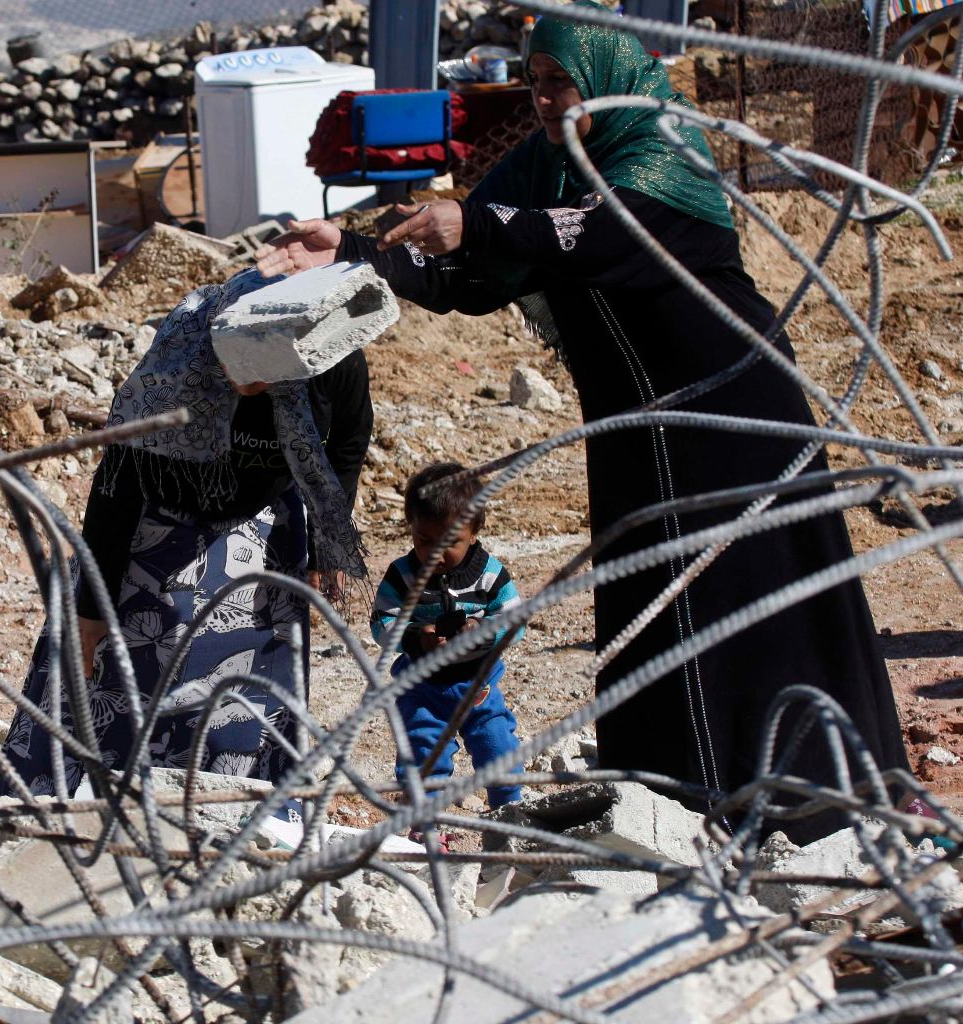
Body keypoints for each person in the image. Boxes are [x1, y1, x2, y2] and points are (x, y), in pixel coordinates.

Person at [257, 1, 909, 842]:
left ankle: (806, 805)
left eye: (561, 82)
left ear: (607, 79)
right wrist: (353, 248)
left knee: (748, 597)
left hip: (728, 409)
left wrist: (478, 221)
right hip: (639, 428)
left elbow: (611, 239)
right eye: (533, 83)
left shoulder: (662, 149)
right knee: (654, 596)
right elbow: (471, 270)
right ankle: (677, 803)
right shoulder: (543, 168)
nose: (545, 99)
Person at [0, 269, 372, 799]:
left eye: (264, 370)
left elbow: (349, 440)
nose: (245, 384)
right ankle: (63, 811)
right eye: (237, 362)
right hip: (154, 522)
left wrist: (329, 538)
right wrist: (91, 610)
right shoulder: (179, 361)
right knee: (100, 668)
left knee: (244, 697)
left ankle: (232, 815)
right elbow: (115, 487)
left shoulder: (331, 354)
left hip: (263, 523)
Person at [372, 462, 525, 811]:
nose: (435, 555)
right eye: (424, 541)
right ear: (411, 528)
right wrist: (414, 638)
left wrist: (482, 633)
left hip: (477, 687)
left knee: (497, 746)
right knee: (421, 755)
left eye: (449, 543)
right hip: (421, 688)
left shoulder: (489, 574)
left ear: (474, 531)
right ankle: (424, 826)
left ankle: (510, 813)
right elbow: (382, 623)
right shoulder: (403, 576)